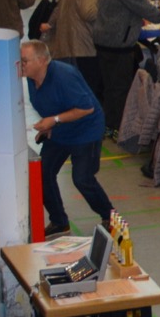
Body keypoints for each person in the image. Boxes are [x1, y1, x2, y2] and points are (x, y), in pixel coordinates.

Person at [19, 41, 114, 235]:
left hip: (86, 131)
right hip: (61, 131)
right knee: (42, 174)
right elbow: (48, 103)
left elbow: (87, 108)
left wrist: (54, 120)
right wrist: (49, 125)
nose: (21, 65)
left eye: (25, 61)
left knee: (82, 178)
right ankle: (59, 221)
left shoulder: (65, 76)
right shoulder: (31, 79)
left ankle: (110, 217)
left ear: (42, 60)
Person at [92, 0, 160, 133]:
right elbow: (142, 6)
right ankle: (117, 128)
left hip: (106, 38)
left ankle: (109, 125)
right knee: (119, 88)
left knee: (110, 87)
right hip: (117, 43)